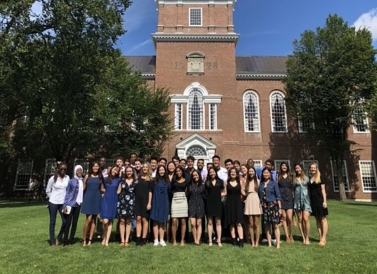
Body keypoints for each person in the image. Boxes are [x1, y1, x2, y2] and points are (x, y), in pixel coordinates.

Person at [46, 162, 70, 246]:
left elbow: (68, 190)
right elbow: (48, 190)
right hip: (53, 202)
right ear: (58, 169)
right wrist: (52, 198)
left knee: (65, 221)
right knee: (52, 222)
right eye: (61, 169)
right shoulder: (53, 178)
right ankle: (52, 241)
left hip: (63, 203)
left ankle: (58, 238)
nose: (63, 170)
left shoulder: (67, 178)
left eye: (65, 169)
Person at [258, 167, 282, 248]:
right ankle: (269, 243)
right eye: (264, 173)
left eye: (267, 173)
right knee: (267, 226)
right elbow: (260, 196)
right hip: (265, 207)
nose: (266, 174)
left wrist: (280, 208)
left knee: (275, 225)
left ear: (270, 174)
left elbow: (278, 196)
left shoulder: (274, 183)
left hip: (273, 205)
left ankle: (278, 243)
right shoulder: (261, 184)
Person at [81, 161, 103, 246]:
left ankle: (90, 239)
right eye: (94, 166)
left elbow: (102, 188)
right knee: (89, 219)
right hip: (88, 197)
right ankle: (84, 239)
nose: (95, 168)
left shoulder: (100, 177)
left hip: (97, 197)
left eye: (97, 166)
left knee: (94, 220)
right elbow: (83, 187)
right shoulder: (87, 176)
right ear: (91, 167)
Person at [62, 165, 84, 246]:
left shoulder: (82, 181)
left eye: (80, 170)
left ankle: (71, 239)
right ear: (75, 171)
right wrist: (65, 204)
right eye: (78, 170)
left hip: (78, 204)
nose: (79, 172)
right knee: (68, 222)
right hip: (70, 204)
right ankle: (65, 240)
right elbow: (67, 192)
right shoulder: (71, 181)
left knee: (75, 222)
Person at [205, 167, 227, 247]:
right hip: (209, 203)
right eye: (210, 172)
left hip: (218, 203)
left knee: (218, 222)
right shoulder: (207, 183)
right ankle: (210, 240)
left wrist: (218, 195)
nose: (212, 173)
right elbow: (205, 194)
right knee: (210, 222)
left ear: (215, 173)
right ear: (209, 173)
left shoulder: (220, 182)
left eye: (213, 172)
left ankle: (219, 240)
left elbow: (225, 192)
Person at [150, 165, 171, 246]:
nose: (161, 172)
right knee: (155, 221)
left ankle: (162, 239)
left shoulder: (167, 181)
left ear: (165, 171)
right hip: (155, 202)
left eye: (163, 170)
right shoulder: (154, 181)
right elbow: (151, 192)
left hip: (164, 202)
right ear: (158, 171)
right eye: (160, 170)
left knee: (162, 221)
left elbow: (169, 194)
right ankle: (156, 239)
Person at [308, 162, 328, 246]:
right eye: (311, 168)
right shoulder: (310, 178)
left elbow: (323, 190)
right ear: (309, 169)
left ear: (316, 168)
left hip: (320, 200)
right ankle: (320, 237)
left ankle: (324, 238)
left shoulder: (320, 177)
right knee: (317, 219)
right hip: (313, 200)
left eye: (314, 168)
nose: (313, 169)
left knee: (323, 218)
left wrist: (324, 201)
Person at [100, 166, 120, 246]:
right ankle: (104, 237)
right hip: (105, 200)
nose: (115, 171)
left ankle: (107, 240)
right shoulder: (105, 179)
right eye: (114, 169)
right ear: (111, 170)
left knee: (110, 221)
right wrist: (102, 189)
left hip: (113, 200)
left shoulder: (118, 180)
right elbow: (102, 188)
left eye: (117, 171)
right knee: (105, 221)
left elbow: (119, 190)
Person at [117, 166, 138, 246]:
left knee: (129, 221)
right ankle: (122, 240)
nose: (129, 173)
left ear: (132, 172)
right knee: (122, 221)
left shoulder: (136, 182)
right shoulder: (121, 181)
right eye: (127, 171)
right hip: (122, 203)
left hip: (131, 203)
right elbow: (118, 191)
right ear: (125, 172)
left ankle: (127, 240)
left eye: (130, 171)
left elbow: (137, 193)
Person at [241, 166, 262, 247]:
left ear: (254, 172)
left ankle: (257, 242)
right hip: (249, 200)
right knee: (250, 223)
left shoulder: (258, 181)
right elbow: (242, 189)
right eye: (249, 171)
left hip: (256, 200)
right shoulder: (246, 181)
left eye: (252, 171)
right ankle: (252, 241)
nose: (251, 173)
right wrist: (246, 195)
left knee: (256, 223)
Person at [224, 167, 244, 247]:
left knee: (239, 223)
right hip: (229, 203)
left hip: (238, 203)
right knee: (231, 223)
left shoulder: (240, 182)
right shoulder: (226, 182)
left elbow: (242, 192)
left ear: (236, 173)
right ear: (230, 173)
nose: (233, 173)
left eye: (234, 172)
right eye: (231, 172)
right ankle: (234, 239)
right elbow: (225, 193)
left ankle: (241, 240)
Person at [134, 163, 153, 246]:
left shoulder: (150, 180)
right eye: (143, 167)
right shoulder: (138, 178)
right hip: (138, 201)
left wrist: (149, 203)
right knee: (138, 218)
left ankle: (144, 238)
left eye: (146, 167)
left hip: (146, 201)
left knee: (144, 220)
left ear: (149, 169)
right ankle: (138, 238)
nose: (145, 168)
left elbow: (150, 192)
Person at [293, 163, 311, 245]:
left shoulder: (306, 178)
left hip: (306, 200)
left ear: (301, 168)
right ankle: (303, 237)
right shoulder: (294, 179)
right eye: (296, 168)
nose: (297, 169)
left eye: (299, 168)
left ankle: (307, 237)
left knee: (306, 219)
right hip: (297, 201)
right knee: (300, 219)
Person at [171, 166, 189, 246]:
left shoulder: (186, 180)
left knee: (183, 221)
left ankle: (182, 240)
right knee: (174, 221)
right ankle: (174, 240)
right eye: (177, 171)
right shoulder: (174, 180)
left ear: (182, 171)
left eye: (180, 171)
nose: (178, 172)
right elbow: (170, 189)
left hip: (183, 200)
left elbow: (188, 190)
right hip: (175, 200)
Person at [277, 162, 294, 243]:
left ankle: (291, 235)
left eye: (285, 166)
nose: (284, 167)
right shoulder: (278, 176)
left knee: (290, 218)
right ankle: (287, 236)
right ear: (281, 167)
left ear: (287, 167)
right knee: (283, 217)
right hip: (281, 197)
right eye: (282, 166)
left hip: (289, 197)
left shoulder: (291, 176)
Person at [188, 170, 205, 245]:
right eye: (194, 175)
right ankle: (194, 239)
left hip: (200, 204)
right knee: (192, 223)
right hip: (192, 204)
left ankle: (198, 240)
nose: (195, 177)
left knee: (199, 223)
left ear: (199, 175)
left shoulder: (203, 185)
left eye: (196, 175)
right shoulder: (190, 185)